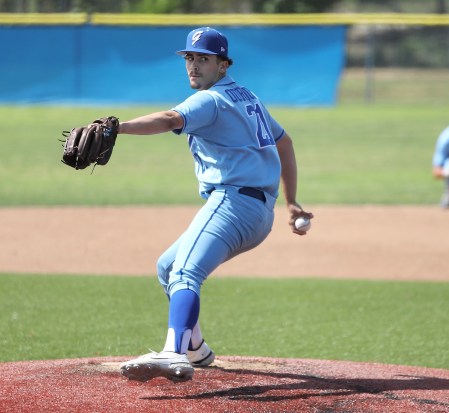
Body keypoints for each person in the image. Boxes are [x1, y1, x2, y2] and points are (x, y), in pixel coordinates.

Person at [115, 27, 313, 382]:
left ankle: (173, 353)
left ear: (223, 64)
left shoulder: (210, 99)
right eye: (189, 57)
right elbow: (285, 143)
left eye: (203, 58)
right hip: (257, 212)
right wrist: (293, 201)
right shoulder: (245, 95)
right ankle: (195, 347)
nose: (194, 65)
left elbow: (169, 119)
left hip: (233, 202)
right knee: (167, 266)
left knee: (185, 273)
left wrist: (118, 128)